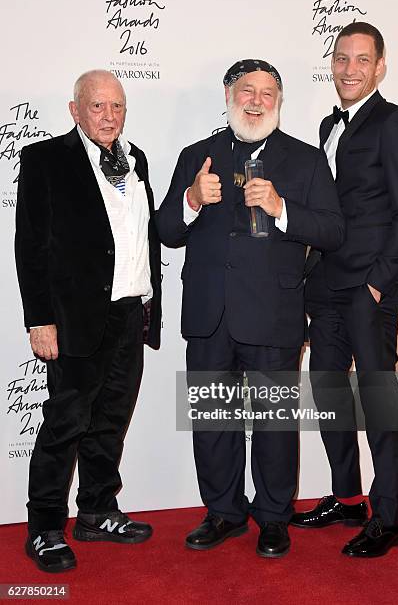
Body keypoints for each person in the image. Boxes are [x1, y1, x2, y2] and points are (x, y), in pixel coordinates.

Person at [156, 59, 344, 558]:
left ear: (278, 101)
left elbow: (332, 231)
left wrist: (283, 209)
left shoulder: (305, 161)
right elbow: (166, 232)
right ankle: (223, 512)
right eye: (247, 90)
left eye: (267, 92)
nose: (256, 100)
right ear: (228, 95)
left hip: (275, 313)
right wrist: (192, 200)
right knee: (212, 420)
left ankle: (274, 518)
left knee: (275, 424)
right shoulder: (197, 155)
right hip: (209, 314)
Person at [15, 70, 161, 573]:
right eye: (97, 106)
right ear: (74, 110)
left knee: (110, 424)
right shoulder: (45, 160)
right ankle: (46, 527)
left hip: (129, 314)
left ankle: (97, 511)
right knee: (64, 425)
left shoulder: (135, 158)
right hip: (75, 319)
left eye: (116, 106)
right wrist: (39, 320)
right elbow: (30, 248)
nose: (109, 116)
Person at [291, 22, 398, 557]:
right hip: (323, 282)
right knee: (329, 395)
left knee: (378, 402)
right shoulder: (329, 123)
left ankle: (388, 518)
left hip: (367, 286)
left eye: (361, 60)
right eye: (342, 59)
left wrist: (379, 283)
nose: (350, 69)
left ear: (380, 67)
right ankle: (347, 498)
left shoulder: (395, 124)